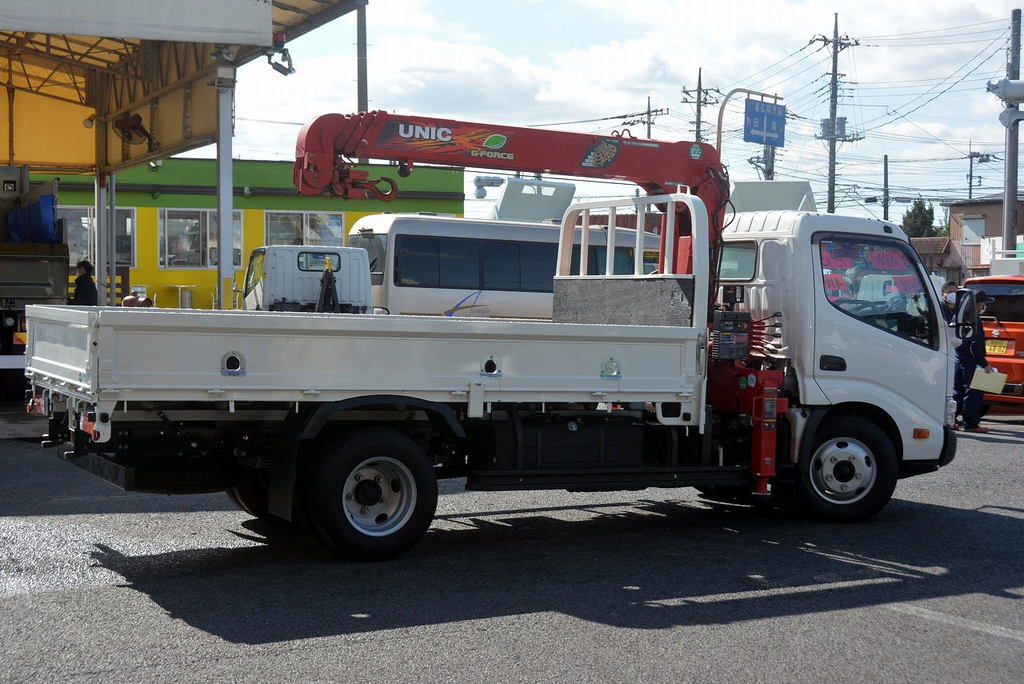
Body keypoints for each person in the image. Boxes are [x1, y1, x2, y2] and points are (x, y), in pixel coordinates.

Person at [954, 289, 997, 433]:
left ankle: (952, 420)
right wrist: (984, 364)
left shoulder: (958, 316)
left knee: (957, 391)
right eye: (983, 303)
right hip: (970, 361)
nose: (983, 306)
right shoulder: (975, 319)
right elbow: (976, 345)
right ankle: (971, 423)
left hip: (957, 358)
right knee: (974, 392)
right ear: (979, 304)